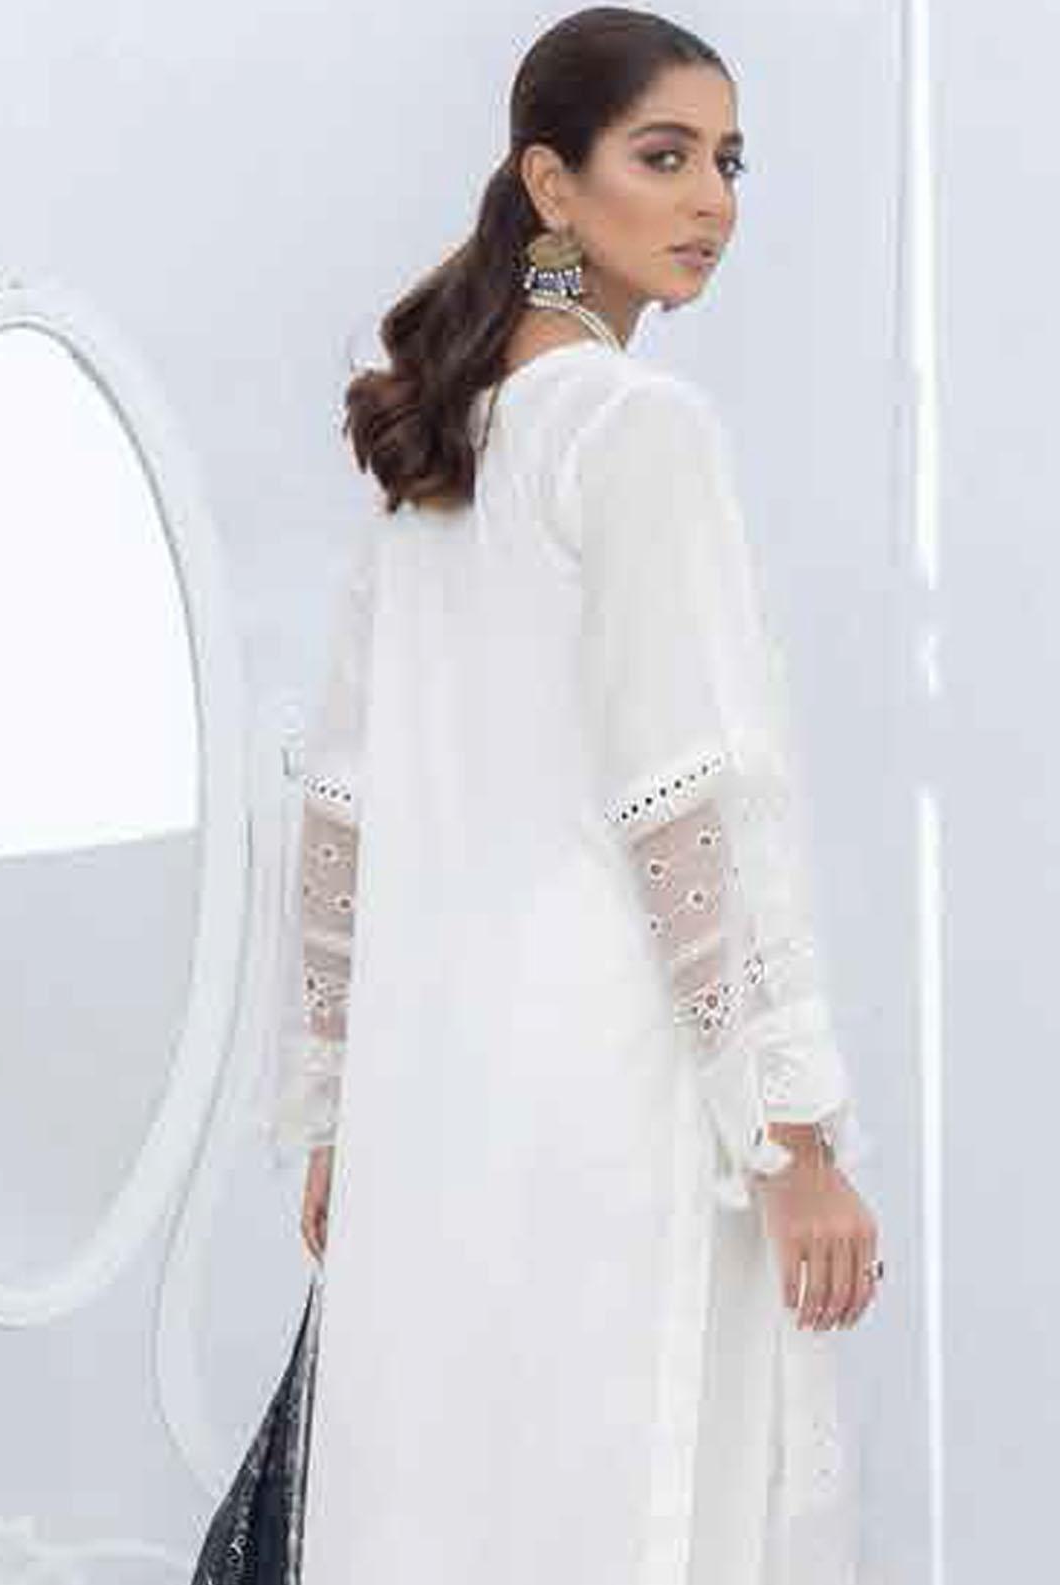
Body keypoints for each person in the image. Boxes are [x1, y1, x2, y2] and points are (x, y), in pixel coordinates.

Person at [269, 8, 883, 1582]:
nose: (711, 202)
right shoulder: (632, 428)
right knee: (636, 1515)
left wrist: (341, 1112)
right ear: (551, 184)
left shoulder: (435, 457)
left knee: (458, 1518)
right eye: (662, 158)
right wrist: (793, 1136)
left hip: (442, 1102)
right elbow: (689, 800)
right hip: (622, 1096)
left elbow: (339, 816)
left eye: (728, 162)